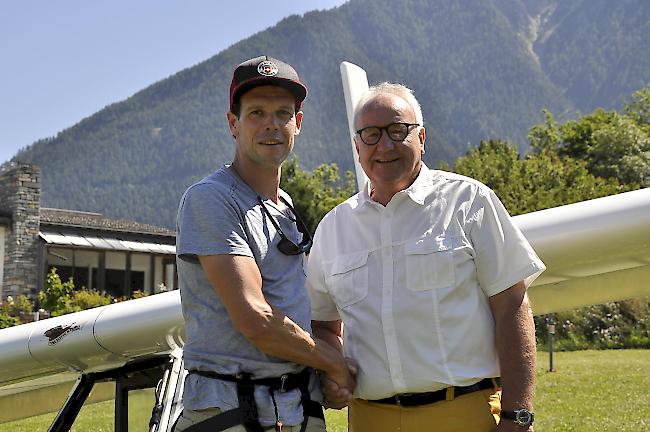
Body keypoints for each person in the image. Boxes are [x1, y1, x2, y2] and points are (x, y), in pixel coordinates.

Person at [307, 82, 545, 432]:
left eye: (398, 131)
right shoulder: (333, 228)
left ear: (421, 138)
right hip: (370, 419)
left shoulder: (469, 202)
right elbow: (323, 325)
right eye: (371, 134)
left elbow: (512, 307)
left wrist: (518, 416)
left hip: (465, 412)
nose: (384, 145)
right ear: (357, 147)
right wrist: (333, 370)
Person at [174, 55, 354, 432]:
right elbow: (255, 319)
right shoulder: (212, 199)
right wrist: (333, 364)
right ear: (233, 124)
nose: (271, 124)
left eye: (283, 113)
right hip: (232, 412)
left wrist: (326, 370)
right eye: (256, 112)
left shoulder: (285, 206)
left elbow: (303, 307)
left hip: (295, 408)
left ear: (298, 124)